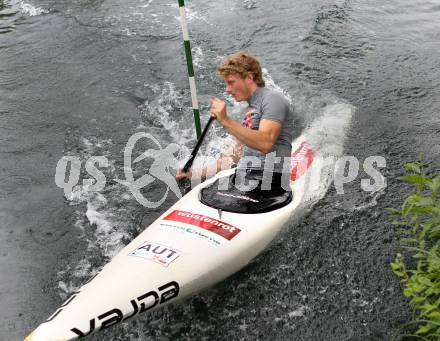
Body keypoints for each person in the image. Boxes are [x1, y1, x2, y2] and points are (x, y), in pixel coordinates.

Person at [176, 52, 294, 210]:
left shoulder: (273, 100)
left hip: (271, 181)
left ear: (249, 78)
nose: (228, 89)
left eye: (231, 82)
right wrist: (195, 174)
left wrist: (225, 120)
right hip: (242, 177)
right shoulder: (250, 110)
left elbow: (265, 142)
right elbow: (235, 156)